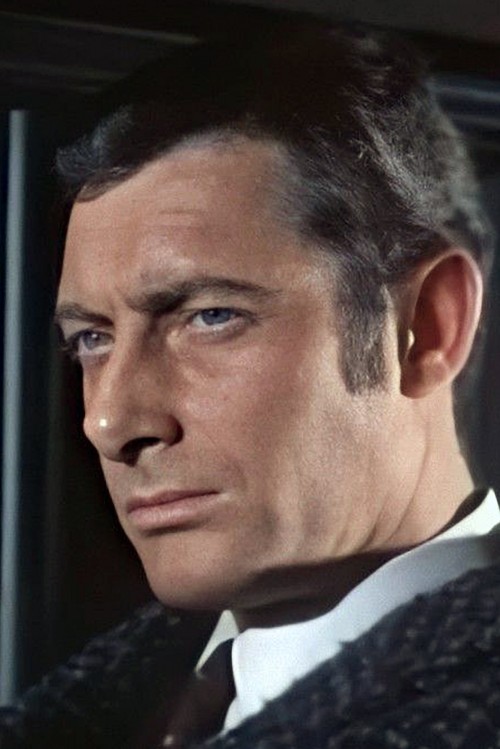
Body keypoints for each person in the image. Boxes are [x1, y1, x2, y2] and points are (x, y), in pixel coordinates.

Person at [2, 21, 500, 749]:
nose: (109, 420)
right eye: (92, 339)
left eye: (210, 316)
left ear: (427, 327)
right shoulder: (126, 701)